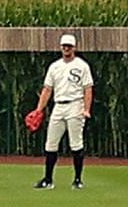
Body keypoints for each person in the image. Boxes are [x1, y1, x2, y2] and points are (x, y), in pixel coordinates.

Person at [30, 33, 94, 190]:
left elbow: (88, 89)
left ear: (74, 48)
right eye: (64, 46)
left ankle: (78, 180)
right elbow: (47, 90)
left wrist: (86, 109)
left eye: (69, 46)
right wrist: (39, 110)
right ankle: (48, 179)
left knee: (76, 144)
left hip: (75, 105)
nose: (66, 48)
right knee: (50, 144)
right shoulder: (55, 66)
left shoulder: (82, 65)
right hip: (59, 106)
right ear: (60, 47)